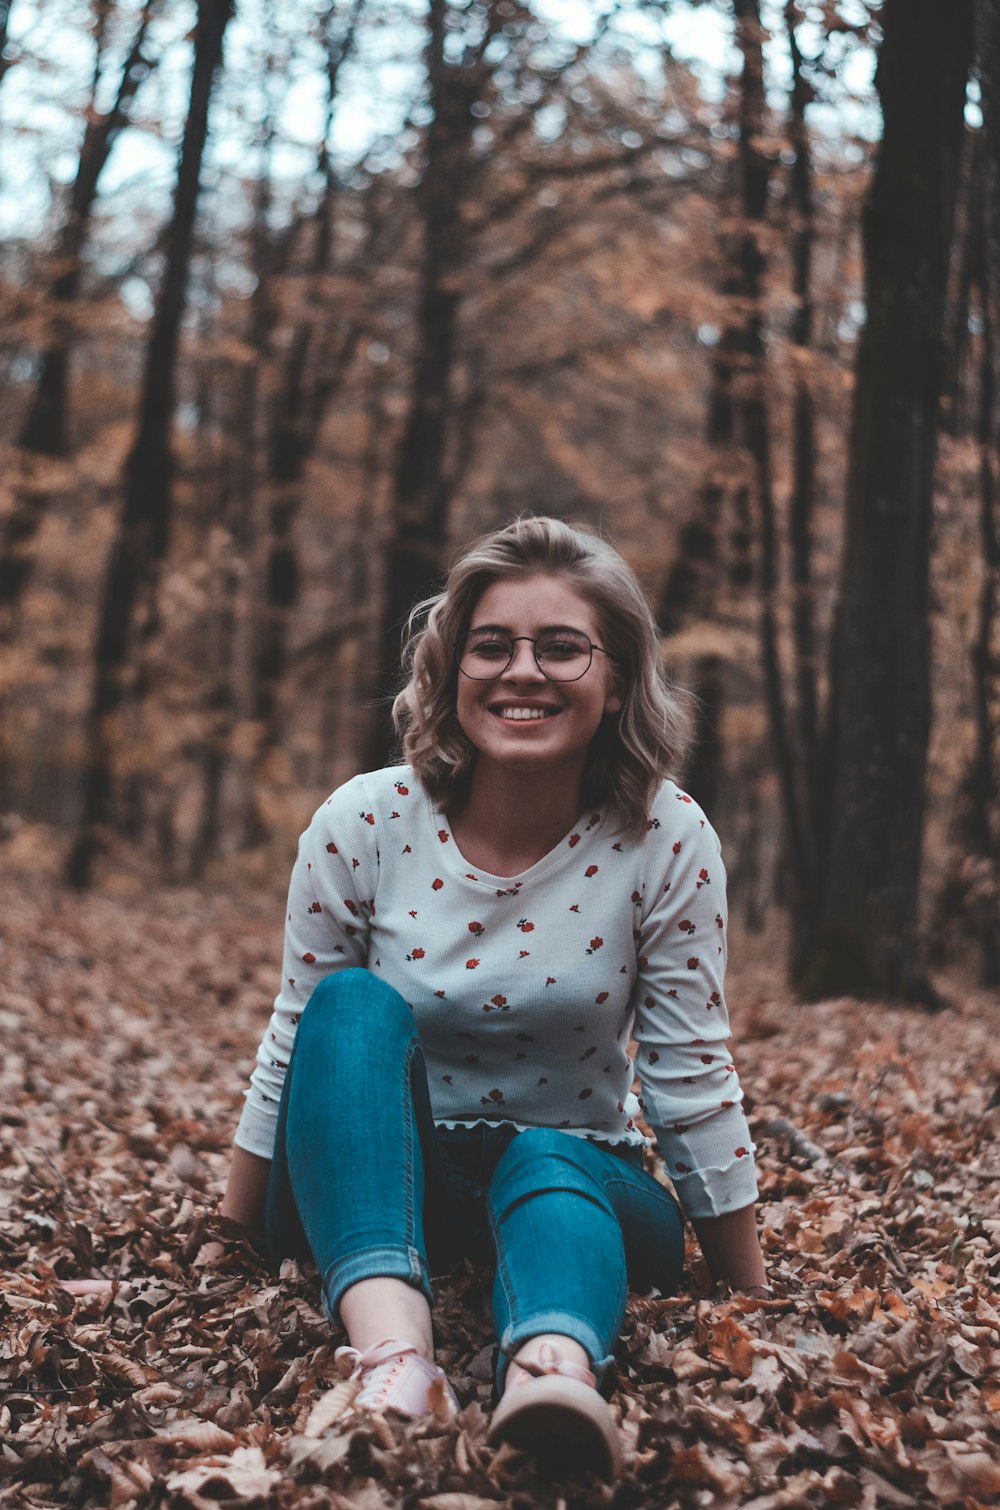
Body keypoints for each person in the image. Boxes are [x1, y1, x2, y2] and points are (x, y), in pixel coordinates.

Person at [216, 515, 766, 1475]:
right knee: (348, 1006)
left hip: (577, 1182)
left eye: (562, 648)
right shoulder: (363, 822)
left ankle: (552, 1378)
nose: (524, 671)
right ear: (450, 670)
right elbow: (296, 1043)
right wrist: (229, 1238)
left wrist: (750, 1298)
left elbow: (691, 1069)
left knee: (548, 1157)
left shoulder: (667, 836)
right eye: (493, 646)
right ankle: (395, 1361)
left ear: (618, 680)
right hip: (376, 1183)